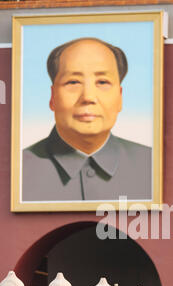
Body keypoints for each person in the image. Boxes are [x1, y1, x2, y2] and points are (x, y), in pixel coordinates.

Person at [22, 37, 152, 202]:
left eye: (102, 82)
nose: (88, 97)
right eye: (73, 82)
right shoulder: (17, 170)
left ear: (120, 97)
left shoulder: (152, 166)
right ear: (52, 97)